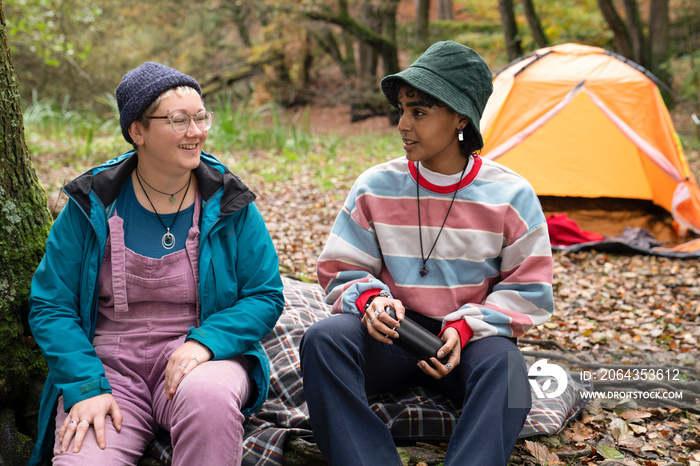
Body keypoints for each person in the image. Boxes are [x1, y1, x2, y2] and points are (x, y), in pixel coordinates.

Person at [299, 41, 555, 465]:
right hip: (393, 336)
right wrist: (371, 301)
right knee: (323, 340)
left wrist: (468, 329)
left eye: (418, 112)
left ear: (460, 118)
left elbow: (529, 289)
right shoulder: (375, 185)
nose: (402, 124)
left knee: (510, 375)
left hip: (469, 342)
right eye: (401, 110)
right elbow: (342, 267)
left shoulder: (511, 194)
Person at [28, 62, 285, 465]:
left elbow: (265, 294)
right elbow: (50, 305)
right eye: (179, 120)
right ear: (138, 131)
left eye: (201, 117)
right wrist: (85, 384)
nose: (197, 131)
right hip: (108, 369)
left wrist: (206, 342)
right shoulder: (91, 203)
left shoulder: (228, 202)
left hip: (198, 359)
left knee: (211, 399)